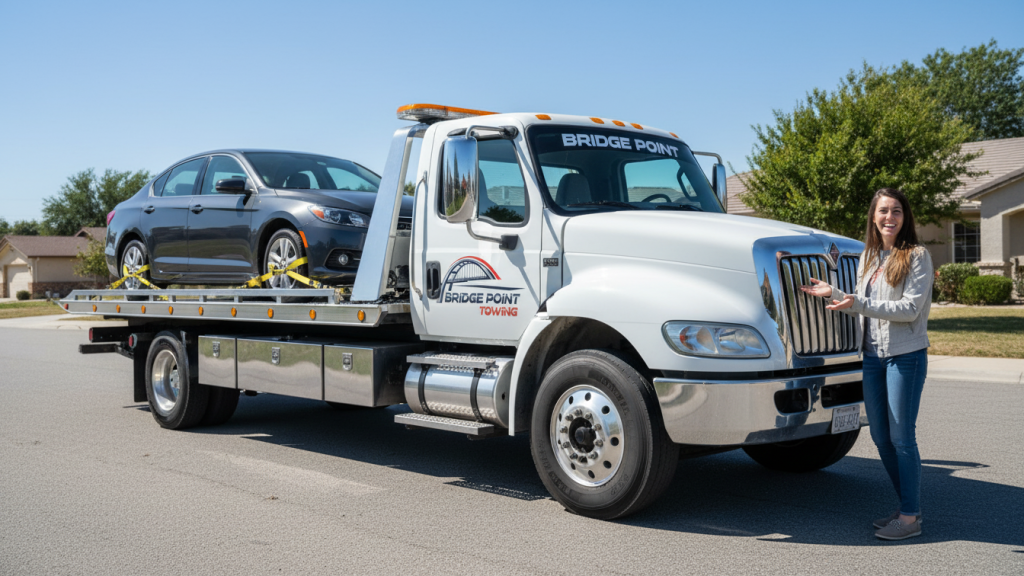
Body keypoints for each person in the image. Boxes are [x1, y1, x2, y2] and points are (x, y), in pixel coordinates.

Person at [800, 188, 934, 541]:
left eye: (897, 211)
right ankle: (907, 504)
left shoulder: (917, 256)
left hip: (905, 356)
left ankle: (910, 517)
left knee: (902, 437)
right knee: (880, 436)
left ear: (906, 217)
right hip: (872, 357)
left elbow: (909, 309)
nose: (890, 217)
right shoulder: (869, 258)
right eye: (883, 211)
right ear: (874, 217)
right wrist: (834, 294)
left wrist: (854, 302)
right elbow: (858, 303)